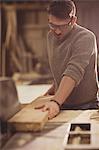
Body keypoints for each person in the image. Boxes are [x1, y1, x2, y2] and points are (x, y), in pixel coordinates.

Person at [36, 0, 99, 119]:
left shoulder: (86, 38)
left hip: (86, 106)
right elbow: (61, 69)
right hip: (62, 104)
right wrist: (52, 91)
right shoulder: (51, 36)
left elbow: (73, 71)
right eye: (52, 25)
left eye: (62, 26)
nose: (57, 31)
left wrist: (55, 102)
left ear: (73, 20)